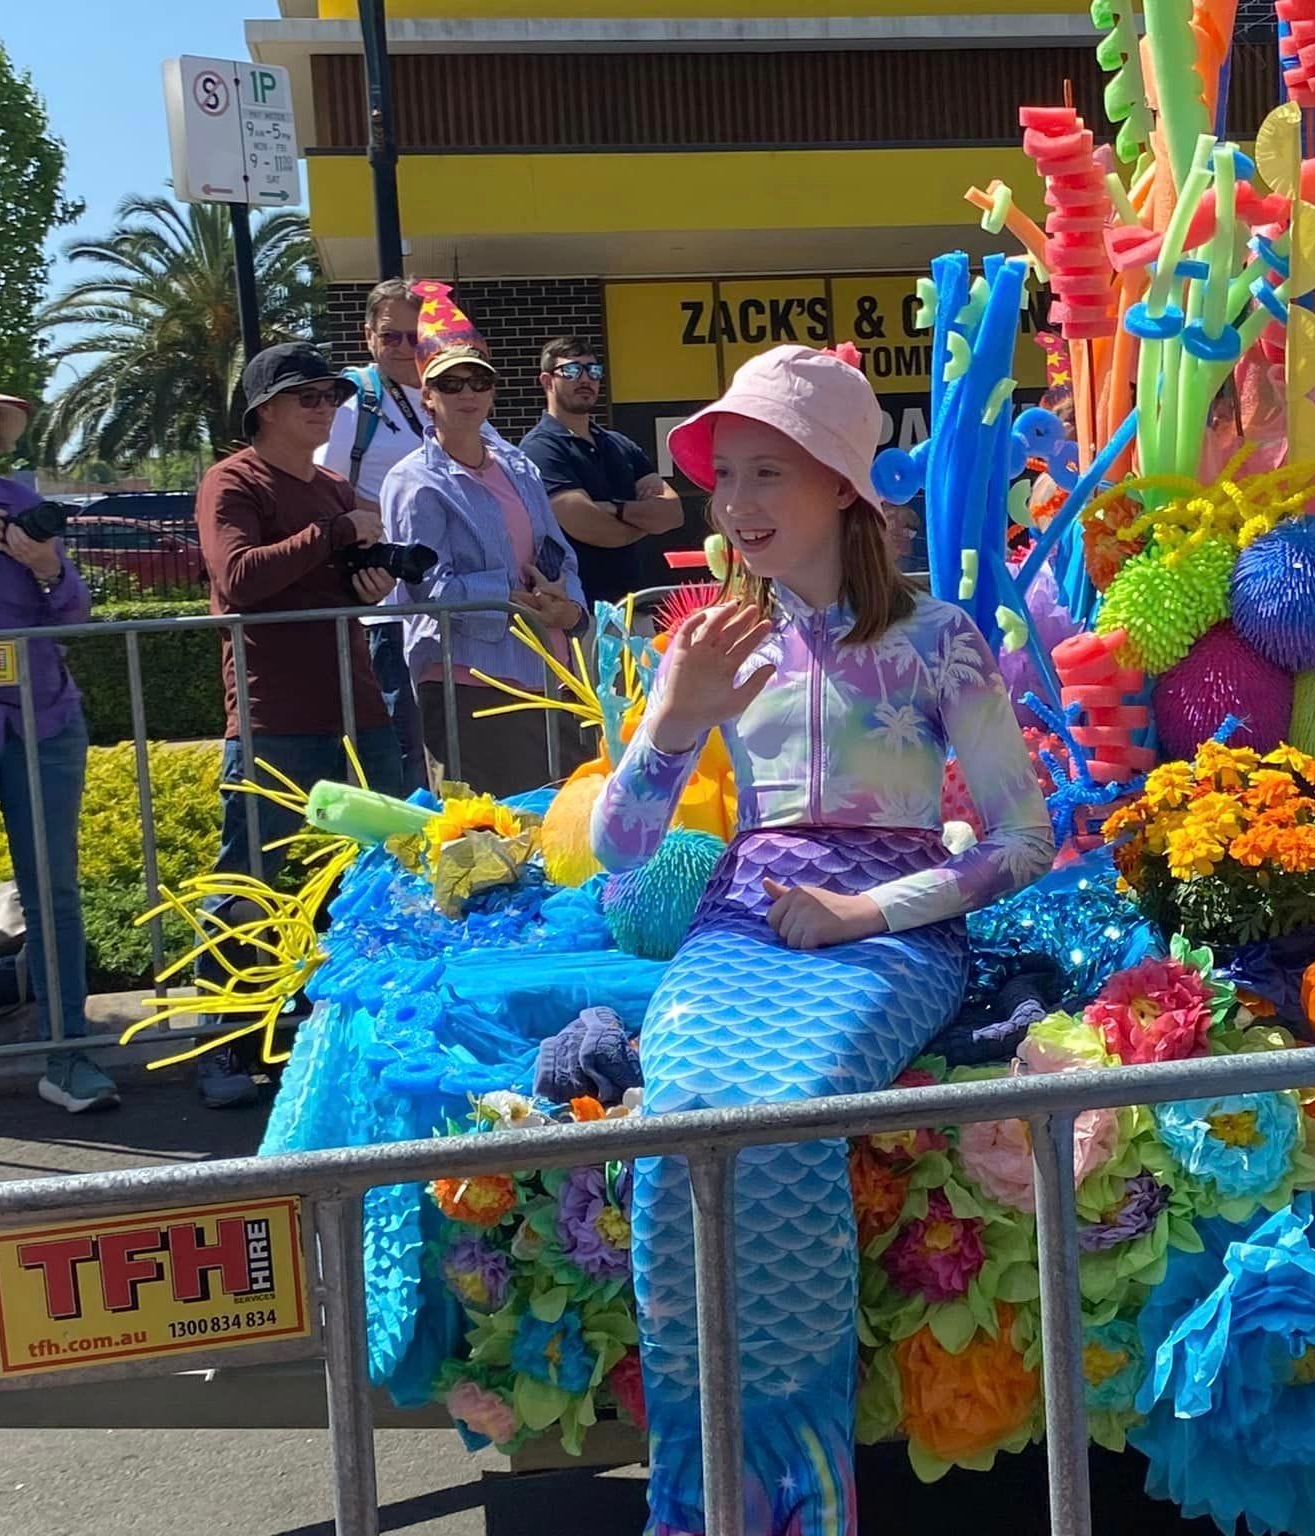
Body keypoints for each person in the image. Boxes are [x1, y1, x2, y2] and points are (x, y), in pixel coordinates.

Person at [588, 344, 1054, 1535]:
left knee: (784, 1106)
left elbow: (1019, 841)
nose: (733, 508)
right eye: (721, 478)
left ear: (844, 485)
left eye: (766, 475)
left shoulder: (939, 638)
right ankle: (700, 1498)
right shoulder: (704, 641)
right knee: (682, 1118)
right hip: (742, 921)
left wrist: (865, 914)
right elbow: (620, 850)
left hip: (892, 927)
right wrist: (678, 718)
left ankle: (798, 1495)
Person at [194, 342, 405, 1107]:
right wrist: (337, 534)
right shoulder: (233, 480)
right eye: (306, 396)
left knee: (378, 875)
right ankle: (222, 1043)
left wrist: (372, 573)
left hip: (355, 706)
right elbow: (238, 579)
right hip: (273, 715)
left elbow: (339, 584)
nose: (323, 406)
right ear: (263, 411)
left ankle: (339, 1030)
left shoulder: (332, 486)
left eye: (328, 394)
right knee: (249, 882)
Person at [381, 283, 588, 795]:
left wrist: (570, 609)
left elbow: (558, 555)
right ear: (427, 396)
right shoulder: (414, 481)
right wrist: (509, 598)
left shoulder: (520, 467)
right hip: (467, 684)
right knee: (497, 841)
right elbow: (426, 591)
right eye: (451, 384)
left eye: (478, 381)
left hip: (549, 673)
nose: (468, 393)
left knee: (560, 835)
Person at [0, 388, 112, 1113]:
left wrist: (43, 565)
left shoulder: (18, 504)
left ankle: (68, 1056)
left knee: (54, 892)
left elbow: (73, 613)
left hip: (44, 724)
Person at [319, 277, 430, 793]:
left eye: (417, 335)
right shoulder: (353, 402)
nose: (407, 348)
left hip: (448, 602)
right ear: (369, 337)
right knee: (403, 747)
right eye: (392, 337)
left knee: (450, 747)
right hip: (389, 606)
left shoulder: (447, 390)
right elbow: (324, 491)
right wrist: (387, 521)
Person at [519, 338, 683, 607]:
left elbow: (672, 513)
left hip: (638, 607)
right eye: (572, 371)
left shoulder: (619, 443)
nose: (586, 379)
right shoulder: (540, 449)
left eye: (593, 371)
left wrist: (613, 509)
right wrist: (644, 521)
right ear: (547, 381)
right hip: (581, 612)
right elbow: (592, 527)